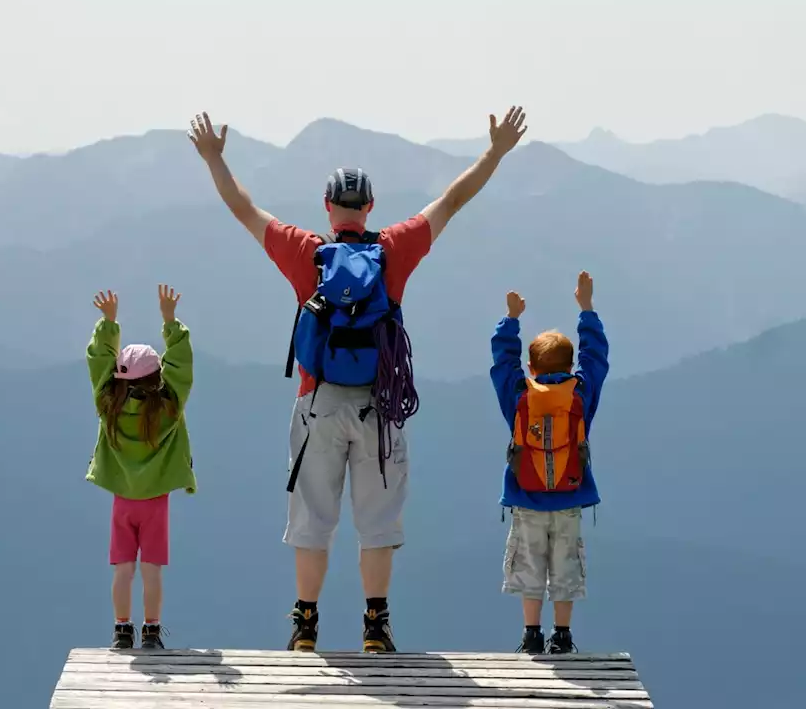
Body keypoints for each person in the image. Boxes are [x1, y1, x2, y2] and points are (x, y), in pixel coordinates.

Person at [188, 107, 529, 652]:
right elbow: (453, 201)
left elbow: (244, 209)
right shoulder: (393, 250)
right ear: (369, 206)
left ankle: (305, 624)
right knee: (377, 520)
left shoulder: (305, 253)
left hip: (316, 400)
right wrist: (495, 151)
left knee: (312, 519)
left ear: (328, 208)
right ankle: (375, 626)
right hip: (379, 405)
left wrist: (213, 157)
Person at [489, 272, 609, 654]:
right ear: (572, 366)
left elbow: (500, 364)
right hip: (570, 497)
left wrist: (510, 320)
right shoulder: (582, 392)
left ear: (530, 367)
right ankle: (562, 635)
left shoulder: (519, 395)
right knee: (564, 566)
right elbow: (598, 358)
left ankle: (530, 635)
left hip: (526, 498)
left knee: (529, 566)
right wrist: (587, 310)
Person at [85, 285, 195, 650]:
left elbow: (98, 362)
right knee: (151, 569)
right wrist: (170, 321)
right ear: (156, 378)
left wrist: (109, 324)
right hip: (156, 502)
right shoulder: (169, 407)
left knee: (123, 569)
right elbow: (182, 365)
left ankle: (121, 631)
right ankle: (150, 631)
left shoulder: (108, 405)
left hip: (123, 501)